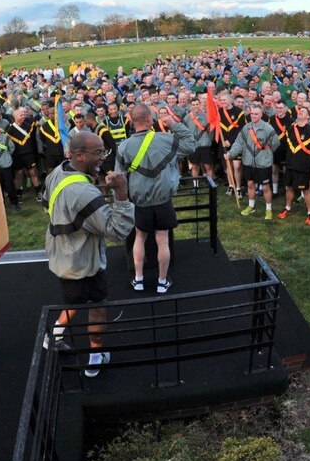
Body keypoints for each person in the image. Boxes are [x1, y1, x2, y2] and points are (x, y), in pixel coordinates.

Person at [42, 132, 134, 377]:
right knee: (97, 305)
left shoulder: (58, 171)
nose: (103, 158)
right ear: (79, 155)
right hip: (84, 260)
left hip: (62, 254)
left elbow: (45, 202)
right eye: (99, 153)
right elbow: (118, 230)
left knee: (73, 299)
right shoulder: (84, 193)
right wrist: (122, 192)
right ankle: (95, 356)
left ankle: (54, 335)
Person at [115, 104, 196, 294]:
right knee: (163, 240)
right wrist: (174, 125)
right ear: (150, 119)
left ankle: (139, 279)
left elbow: (119, 179)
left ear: (131, 121)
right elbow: (191, 144)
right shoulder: (166, 139)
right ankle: (161, 281)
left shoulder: (124, 146)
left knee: (139, 238)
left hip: (140, 203)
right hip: (163, 202)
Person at [225, 105, 280, 219]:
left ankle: (268, 209)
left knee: (265, 187)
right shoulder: (246, 128)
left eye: (256, 114)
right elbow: (239, 143)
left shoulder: (268, 128)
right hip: (249, 162)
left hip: (263, 163)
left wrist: (267, 154)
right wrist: (231, 153)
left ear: (261, 115)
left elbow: (275, 143)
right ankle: (251, 206)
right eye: (252, 114)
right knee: (250, 185)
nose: (253, 116)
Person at [278, 106, 310, 224]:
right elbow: (285, 145)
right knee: (289, 187)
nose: (300, 112)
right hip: (290, 164)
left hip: (303, 166)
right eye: (299, 111)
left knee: (306, 190)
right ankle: (287, 208)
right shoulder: (291, 129)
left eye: (303, 111)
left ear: (308, 116)